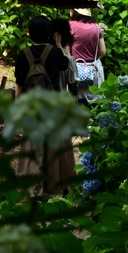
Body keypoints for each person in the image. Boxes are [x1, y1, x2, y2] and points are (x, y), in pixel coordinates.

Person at [13, 16, 69, 197]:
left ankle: (33, 190)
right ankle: (53, 187)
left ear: (29, 34)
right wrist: (58, 43)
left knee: (33, 147)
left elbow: (19, 85)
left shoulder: (24, 54)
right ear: (50, 34)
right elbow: (65, 64)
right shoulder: (55, 52)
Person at [48, 18, 79, 190]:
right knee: (64, 147)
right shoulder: (67, 58)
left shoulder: (40, 55)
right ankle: (66, 183)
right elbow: (73, 82)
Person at [69, 8, 106, 104]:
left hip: (76, 70)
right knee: (94, 103)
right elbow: (103, 52)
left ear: (75, 11)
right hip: (94, 70)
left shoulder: (70, 26)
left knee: (77, 102)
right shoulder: (96, 27)